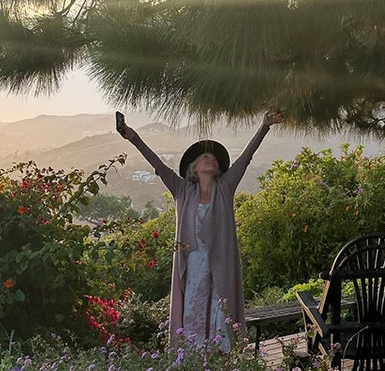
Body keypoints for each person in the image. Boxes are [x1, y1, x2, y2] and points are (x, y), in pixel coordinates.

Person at [119, 111, 284, 350]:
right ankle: (195, 362)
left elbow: (247, 157)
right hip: (193, 263)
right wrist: (133, 137)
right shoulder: (182, 190)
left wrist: (265, 125)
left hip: (221, 263)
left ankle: (224, 362)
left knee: (221, 311)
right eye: (205, 157)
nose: (211, 159)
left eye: (213, 158)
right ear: (194, 168)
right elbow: (158, 166)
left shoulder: (226, 187)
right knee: (193, 310)